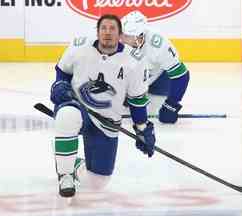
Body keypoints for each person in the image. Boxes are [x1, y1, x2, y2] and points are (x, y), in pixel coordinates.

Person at [50, 14, 156, 198]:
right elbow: (62, 71)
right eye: (103, 28)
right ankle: (65, 174)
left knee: (97, 183)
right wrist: (60, 85)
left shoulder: (135, 61)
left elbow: (137, 100)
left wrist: (142, 128)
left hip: (107, 121)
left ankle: (72, 162)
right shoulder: (79, 46)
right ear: (97, 32)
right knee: (67, 115)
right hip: (78, 107)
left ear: (120, 34)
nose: (108, 33)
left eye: (112, 29)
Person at [121, 11, 190, 124]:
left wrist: (171, 104)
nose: (121, 38)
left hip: (158, 80)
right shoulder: (114, 41)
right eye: (121, 33)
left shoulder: (159, 44)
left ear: (139, 37)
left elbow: (182, 75)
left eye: (126, 36)